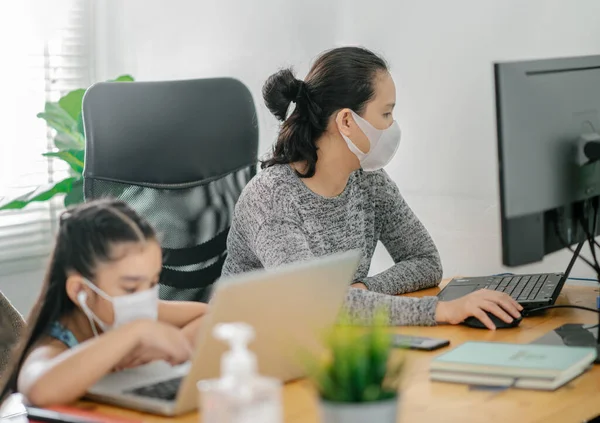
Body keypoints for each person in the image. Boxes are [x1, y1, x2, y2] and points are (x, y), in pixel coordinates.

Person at [222, 46, 522, 330]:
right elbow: (314, 301)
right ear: (347, 121)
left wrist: (363, 289)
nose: (393, 126)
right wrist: (441, 310)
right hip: (253, 358)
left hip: (326, 338)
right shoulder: (272, 198)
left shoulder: (368, 180)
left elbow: (426, 261)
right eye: (386, 114)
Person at [0, 199, 208, 407]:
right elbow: (38, 390)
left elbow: (210, 316)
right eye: (130, 288)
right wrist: (138, 331)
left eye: (153, 283)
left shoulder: (133, 311)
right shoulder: (58, 342)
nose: (145, 298)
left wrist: (167, 346)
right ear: (81, 291)